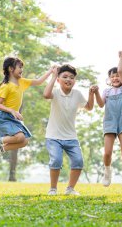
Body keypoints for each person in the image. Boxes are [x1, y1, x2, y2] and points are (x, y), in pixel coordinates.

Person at [0, 57, 55, 166]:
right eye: (19, 67)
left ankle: (0, 150)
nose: (21, 69)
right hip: (5, 117)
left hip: (13, 117)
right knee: (19, 137)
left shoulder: (21, 82)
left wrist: (50, 71)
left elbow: (38, 81)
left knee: (24, 141)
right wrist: (12, 111)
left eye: (22, 67)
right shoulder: (6, 86)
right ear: (11, 68)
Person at [43, 64, 96, 196]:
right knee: (56, 160)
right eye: (64, 76)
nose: (68, 79)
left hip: (71, 137)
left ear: (75, 81)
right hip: (53, 136)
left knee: (78, 161)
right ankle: (53, 189)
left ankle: (70, 189)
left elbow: (89, 107)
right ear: (58, 80)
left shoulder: (77, 94)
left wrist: (91, 94)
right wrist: (53, 75)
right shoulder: (55, 92)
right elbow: (46, 94)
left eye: (71, 77)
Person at [94, 51, 122, 190]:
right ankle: (107, 171)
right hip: (110, 121)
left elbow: (120, 70)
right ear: (109, 79)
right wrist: (96, 93)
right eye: (112, 76)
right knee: (107, 152)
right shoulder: (107, 92)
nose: (115, 77)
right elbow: (100, 104)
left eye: (117, 75)